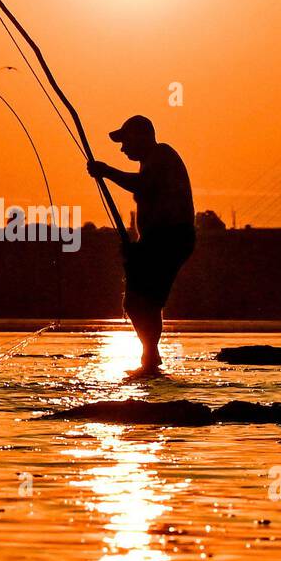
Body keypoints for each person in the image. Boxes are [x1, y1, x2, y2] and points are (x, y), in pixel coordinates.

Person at [87, 115, 195, 376]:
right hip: (157, 240)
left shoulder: (161, 155)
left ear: (142, 136)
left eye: (125, 141)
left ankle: (149, 358)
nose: (122, 148)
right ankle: (150, 358)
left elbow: (144, 186)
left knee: (141, 300)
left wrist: (107, 171)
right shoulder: (151, 161)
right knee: (142, 301)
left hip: (169, 239)